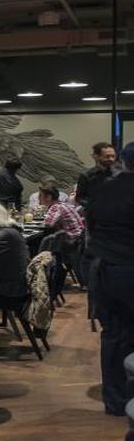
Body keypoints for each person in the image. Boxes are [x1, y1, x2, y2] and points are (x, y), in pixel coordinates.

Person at [85, 142, 134, 416]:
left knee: (114, 336)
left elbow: (91, 227)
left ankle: (115, 400)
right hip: (128, 267)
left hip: (102, 268)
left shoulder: (104, 188)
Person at [75, 141, 118, 210]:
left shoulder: (119, 174)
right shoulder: (86, 175)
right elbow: (79, 198)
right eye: (107, 156)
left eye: (113, 156)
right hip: (95, 214)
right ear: (96, 156)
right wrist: (94, 205)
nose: (111, 159)